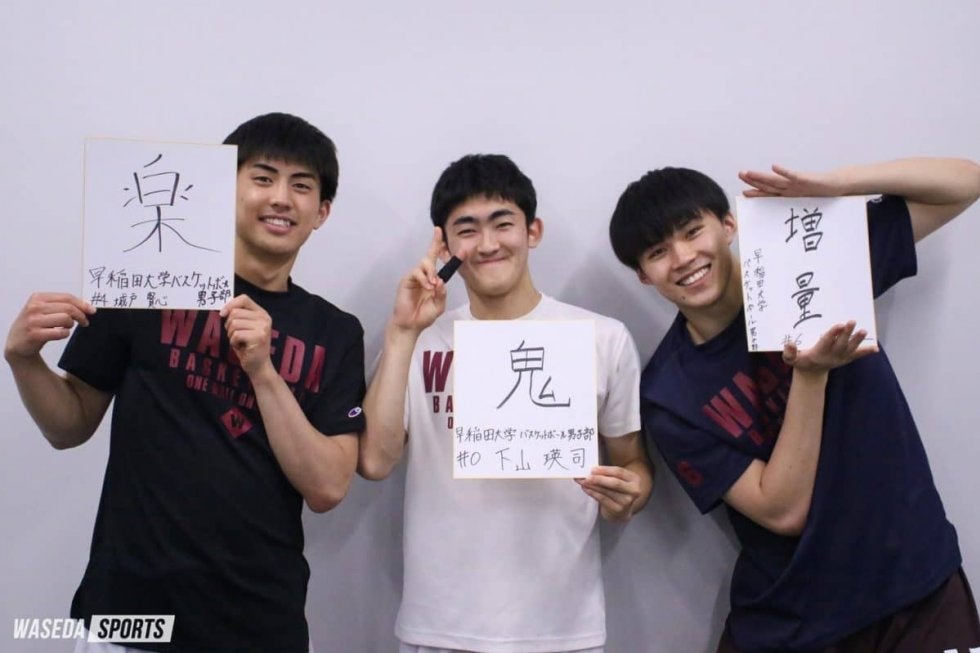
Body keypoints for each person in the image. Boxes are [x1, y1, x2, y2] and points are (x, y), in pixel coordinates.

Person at [4, 112, 366, 653]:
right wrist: (24, 360)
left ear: (322, 212)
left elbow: (328, 487)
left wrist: (264, 371)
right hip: (126, 616)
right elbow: (69, 425)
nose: (280, 198)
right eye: (262, 177)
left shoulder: (335, 331)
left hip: (259, 624)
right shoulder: (146, 281)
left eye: (301, 185)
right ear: (222, 189)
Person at [608, 158, 980, 652]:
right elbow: (782, 511)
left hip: (917, 587)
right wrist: (810, 375)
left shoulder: (818, 266)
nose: (683, 257)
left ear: (728, 225)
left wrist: (835, 186)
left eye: (693, 231)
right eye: (658, 252)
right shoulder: (668, 395)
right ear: (643, 276)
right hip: (792, 623)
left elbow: (965, 183)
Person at [359, 153, 654, 653]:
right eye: (467, 229)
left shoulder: (602, 338)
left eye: (502, 223)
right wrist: (402, 332)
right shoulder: (420, 339)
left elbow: (633, 462)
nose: (488, 244)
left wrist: (632, 493)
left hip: (562, 627)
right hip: (440, 624)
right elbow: (375, 461)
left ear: (532, 231)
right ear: (444, 244)